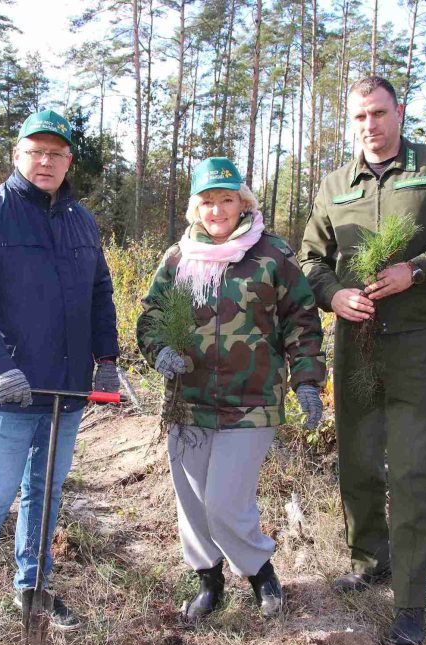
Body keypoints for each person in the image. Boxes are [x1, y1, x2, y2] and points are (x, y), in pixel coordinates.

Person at [300, 76, 426, 645]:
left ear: (399, 111)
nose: (370, 126)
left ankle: (411, 602)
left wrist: (422, 268)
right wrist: (333, 294)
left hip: (415, 343)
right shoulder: (336, 183)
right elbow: (311, 257)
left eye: (380, 113)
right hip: (353, 340)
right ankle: (370, 561)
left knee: (411, 472)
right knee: (357, 461)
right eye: (360, 117)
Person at [0, 110, 120, 645]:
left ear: (70, 161)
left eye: (57, 153)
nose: (46, 162)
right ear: (17, 155)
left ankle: (34, 588)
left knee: (45, 494)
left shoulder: (81, 220)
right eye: (36, 151)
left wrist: (107, 358)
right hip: (8, 393)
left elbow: (100, 293)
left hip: (66, 392)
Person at [137, 157, 326, 621]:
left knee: (224, 501)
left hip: (253, 403)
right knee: (192, 501)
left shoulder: (271, 255)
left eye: (226, 200)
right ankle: (209, 581)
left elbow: (302, 321)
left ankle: (261, 571)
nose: (217, 210)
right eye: (207, 202)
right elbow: (151, 317)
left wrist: (307, 382)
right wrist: (158, 350)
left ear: (244, 203)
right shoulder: (178, 258)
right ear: (194, 209)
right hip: (188, 401)